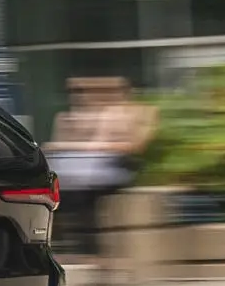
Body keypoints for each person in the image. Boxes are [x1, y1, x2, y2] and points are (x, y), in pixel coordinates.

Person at [46, 76, 159, 267]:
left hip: (122, 166)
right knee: (63, 188)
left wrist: (90, 147)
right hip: (97, 167)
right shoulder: (102, 114)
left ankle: (89, 250)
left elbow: (134, 145)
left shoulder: (141, 113)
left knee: (83, 193)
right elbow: (97, 143)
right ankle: (78, 247)